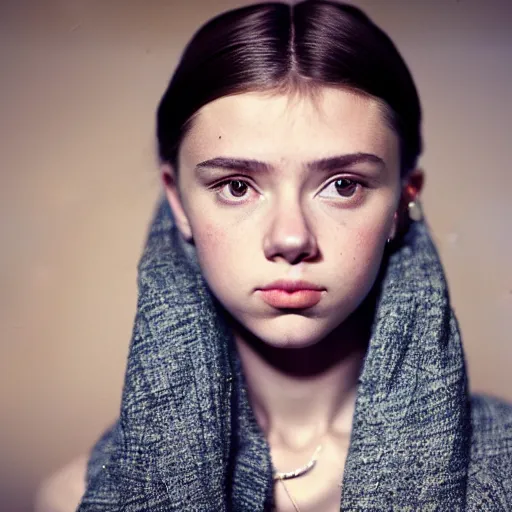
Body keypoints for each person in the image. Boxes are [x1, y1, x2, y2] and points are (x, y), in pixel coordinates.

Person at [37, 1, 512, 511]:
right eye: (237, 186)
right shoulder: (73, 499)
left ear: (402, 199)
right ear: (177, 201)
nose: (290, 238)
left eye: (343, 184)